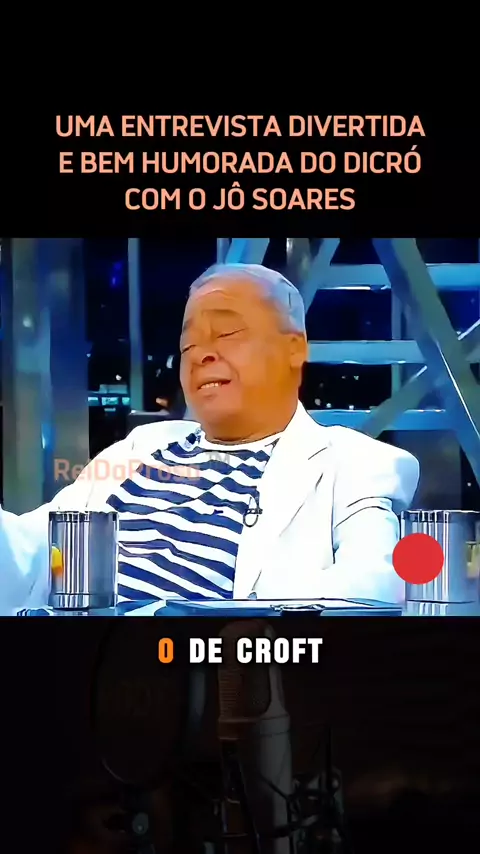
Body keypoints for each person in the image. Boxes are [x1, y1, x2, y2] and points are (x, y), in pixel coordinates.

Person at [0, 264, 419, 614]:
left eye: (227, 334)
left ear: (294, 349)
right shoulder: (140, 448)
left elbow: (370, 592)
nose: (201, 354)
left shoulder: (354, 464)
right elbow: (32, 551)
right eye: (188, 344)